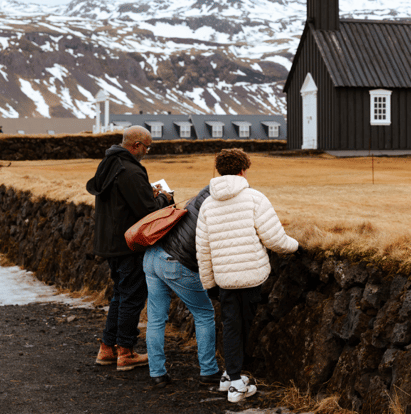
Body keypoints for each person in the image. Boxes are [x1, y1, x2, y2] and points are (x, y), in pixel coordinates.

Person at [196, 148, 298, 403]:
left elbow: (203, 249)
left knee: (231, 326)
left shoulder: (208, 204)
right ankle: (235, 383)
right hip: (252, 275)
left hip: (225, 280)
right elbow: (274, 238)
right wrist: (296, 246)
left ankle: (230, 377)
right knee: (243, 326)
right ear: (243, 170)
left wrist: (209, 283)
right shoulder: (254, 198)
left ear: (220, 170)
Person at [86, 125, 173, 371]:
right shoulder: (131, 170)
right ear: (136, 145)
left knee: (120, 295)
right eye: (147, 147)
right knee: (132, 297)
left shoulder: (109, 164)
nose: (147, 151)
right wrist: (163, 198)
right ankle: (125, 352)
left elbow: (124, 201)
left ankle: (107, 348)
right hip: (128, 244)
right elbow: (147, 211)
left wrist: (148, 193)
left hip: (110, 243)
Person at [142, 184, 221, 387]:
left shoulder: (197, 197)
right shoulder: (217, 211)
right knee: (204, 314)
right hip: (176, 263)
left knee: (156, 319)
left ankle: (157, 373)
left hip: (153, 256)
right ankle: (209, 370)